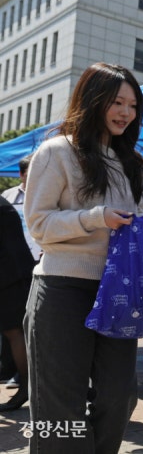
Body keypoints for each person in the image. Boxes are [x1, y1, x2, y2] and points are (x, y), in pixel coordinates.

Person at [23, 62, 143, 453]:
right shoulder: (56, 152)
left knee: (119, 395)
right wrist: (97, 219)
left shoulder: (129, 164)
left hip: (115, 291)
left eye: (132, 105)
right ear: (93, 99)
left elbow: (131, 223)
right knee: (60, 408)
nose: (125, 112)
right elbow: (39, 224)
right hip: (61, 288)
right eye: (116, 101)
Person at [1, 155, 36, 391]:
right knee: (14, 332)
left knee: (15, 332)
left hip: (11, 277)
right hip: (14, 274)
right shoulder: (6, 201)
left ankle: (26, 387)